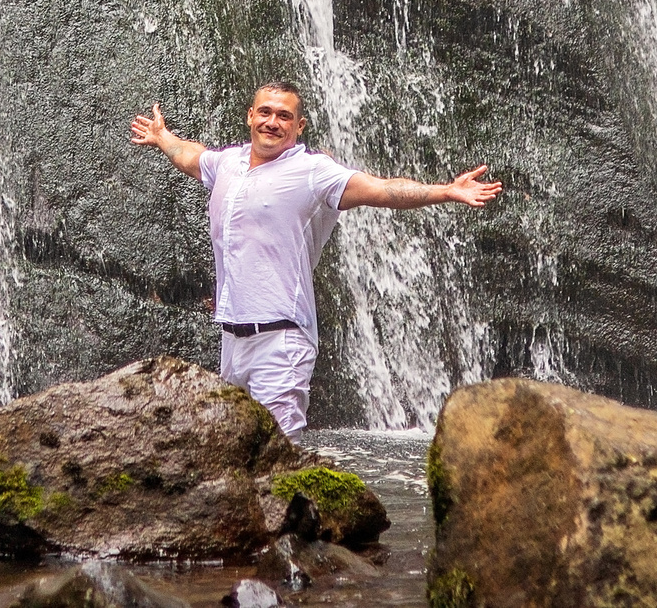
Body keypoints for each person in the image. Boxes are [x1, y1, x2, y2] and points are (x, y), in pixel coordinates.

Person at [128, 80, 503, 436]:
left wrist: (445, 191)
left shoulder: (312, 171)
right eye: (265, 112)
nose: (272, 122)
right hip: (232, 337)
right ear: (250, 116)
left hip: (282, 340)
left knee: (281, 457)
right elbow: (193, 157)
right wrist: (163, 137)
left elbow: (382, 190)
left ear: (299, 124)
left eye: (284, 116)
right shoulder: (228, 163)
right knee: (238, 454)